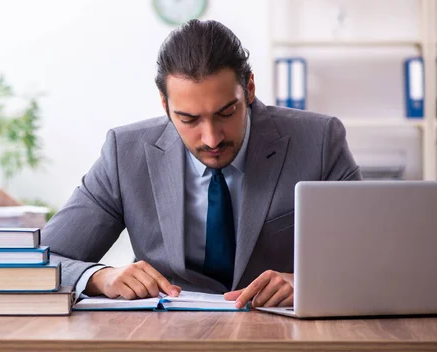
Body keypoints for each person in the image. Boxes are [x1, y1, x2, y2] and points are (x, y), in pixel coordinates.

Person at [41, 19, 361, 308]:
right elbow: (39, 260)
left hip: (283, 335)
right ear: (165, 105)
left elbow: (371, 259)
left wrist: (307, 283)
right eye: (188, 119)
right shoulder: (125, 154)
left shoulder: (319, 141)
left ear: (249, 88)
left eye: (225, 113)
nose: (211, 139)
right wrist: (100, 277)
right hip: (167, 336)